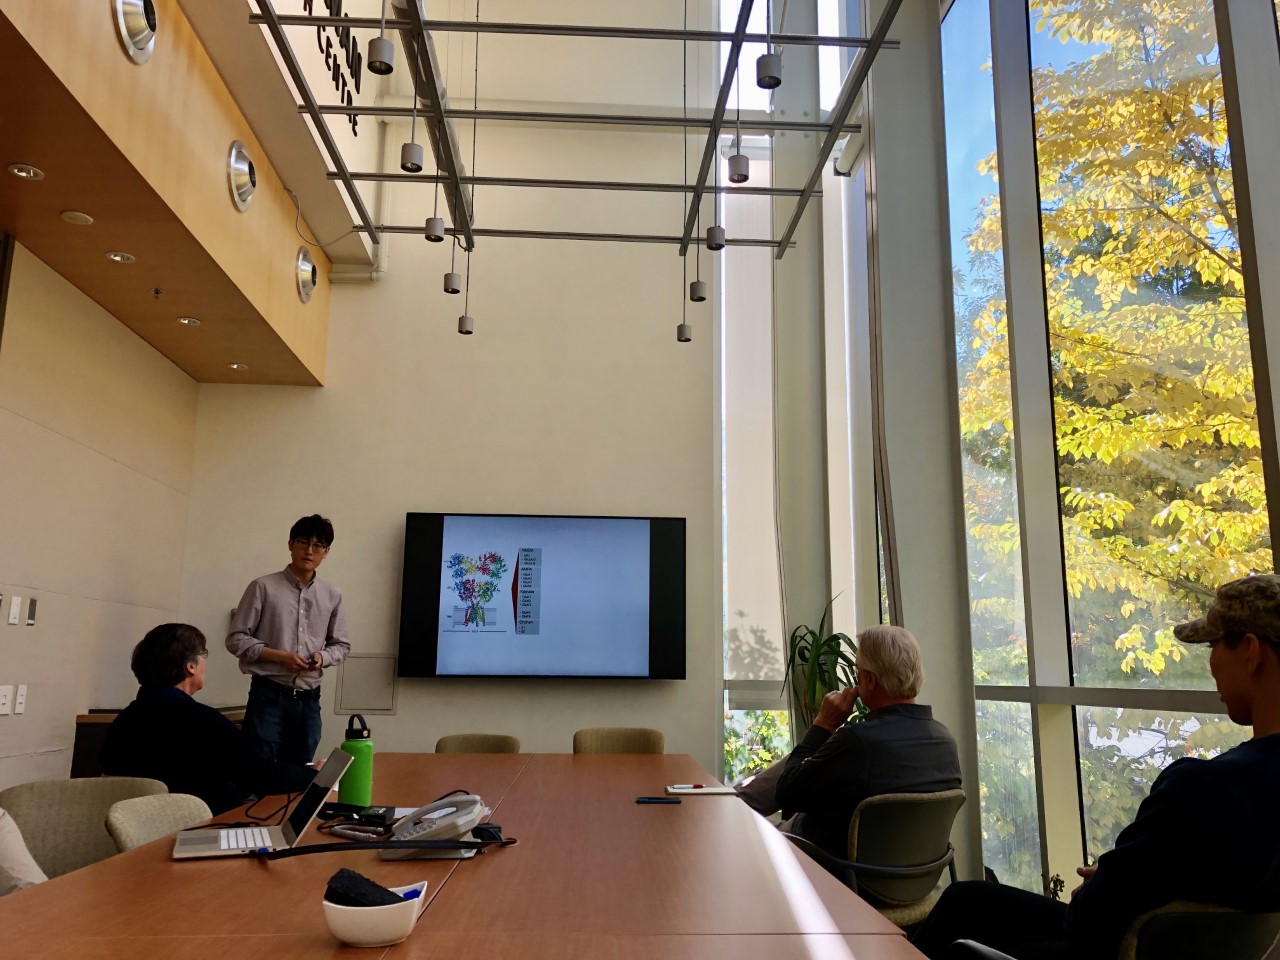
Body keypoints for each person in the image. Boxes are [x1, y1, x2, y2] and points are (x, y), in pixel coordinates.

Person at [912, 574, 1280, 960]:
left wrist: (1102, 885)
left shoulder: (1201, 788)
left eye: (1213, 645)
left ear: (1250, 652)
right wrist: (1114, 881)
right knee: (967, 899)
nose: (1211, 665)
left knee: (965, 920)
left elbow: (1090, 918)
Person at [770, 624, 963, 859]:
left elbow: (786, 793)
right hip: (917, 873)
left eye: (857, 673)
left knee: (755, 831)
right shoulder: (945, 740)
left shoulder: (858, 741)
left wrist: (823, 725)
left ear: (870, 679)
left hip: (838, 867)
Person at [100, 623, 316, 815]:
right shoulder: (201, 721)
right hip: (202, 827)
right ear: (191, 666)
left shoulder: (124, 721)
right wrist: (315, 775)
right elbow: (262, 775)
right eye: (203, 654)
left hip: (140, 834)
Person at [227, 514, 351, 764]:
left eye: (318, 545)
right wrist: (279, 657)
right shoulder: (263, 587)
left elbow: (341, 645)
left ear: (326, 552)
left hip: (309, 700)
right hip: (268, 696)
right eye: (303, 542)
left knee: (300, 773)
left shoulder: (332, 594)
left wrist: (322, 657)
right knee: (261, 772)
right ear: (290, 544)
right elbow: (236, 639)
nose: (309, 551)